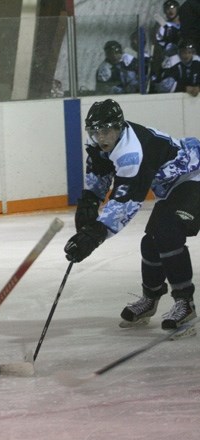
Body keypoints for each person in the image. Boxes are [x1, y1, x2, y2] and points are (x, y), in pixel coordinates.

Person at [64, 99, 200, 333]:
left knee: (166, 231)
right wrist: (89, 204)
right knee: (151, 242)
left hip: (194, 176)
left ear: (120, 127)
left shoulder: (131, 152)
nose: (101, 137)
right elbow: (99, 175)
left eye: (106, 130)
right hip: (172, 186)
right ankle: (151, 298)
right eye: (95, 131)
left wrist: (95, 236)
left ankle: (185, 302)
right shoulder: (98, 143)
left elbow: (125, 204)